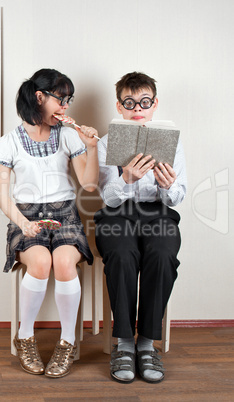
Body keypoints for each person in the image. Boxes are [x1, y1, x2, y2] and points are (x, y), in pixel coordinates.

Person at [0, 68, 99, 378]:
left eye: (68, 101)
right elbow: (2, 196)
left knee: (64, 263)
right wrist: (23, 224)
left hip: (65, 215)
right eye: (61, 100)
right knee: (40, 263)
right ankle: (25, 336)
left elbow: (90, 185)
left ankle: (67, 343)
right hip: (24, 218)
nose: (65, 108)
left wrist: (91, 147)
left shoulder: (68, 135)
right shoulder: (8, 143)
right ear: (39, 97)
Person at [94, 72, 187, 384]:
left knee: (162, 254)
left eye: (144, 102)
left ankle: (146, 343)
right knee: (121, 254)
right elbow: (106, 198)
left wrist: (166, 186)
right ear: (119, 107)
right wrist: (126, 179)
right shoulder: (106, 143)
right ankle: (124, 343)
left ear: (154, 104)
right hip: (117, 215)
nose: (138, 108)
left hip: (157, 214)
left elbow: (176, 197)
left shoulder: (172, 142)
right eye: (130, 102)